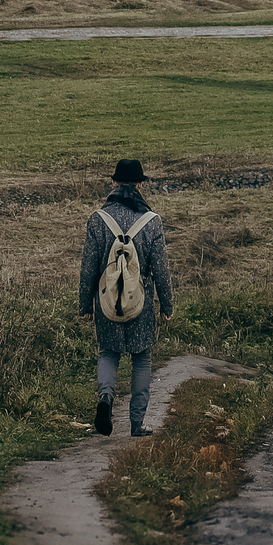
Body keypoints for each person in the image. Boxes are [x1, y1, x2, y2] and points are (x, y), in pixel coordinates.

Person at [79, 157, 172, 436]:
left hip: (107, 300)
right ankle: (136, 424)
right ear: (141, 185)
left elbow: (88, 268)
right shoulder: (152, 222)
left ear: (114, 183)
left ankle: (106, 399)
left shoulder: (98, 220)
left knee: (108, 353)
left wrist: (85, 305)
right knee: (141, 359)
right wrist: (167, 305)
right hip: (140, 302)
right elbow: (161, 270)